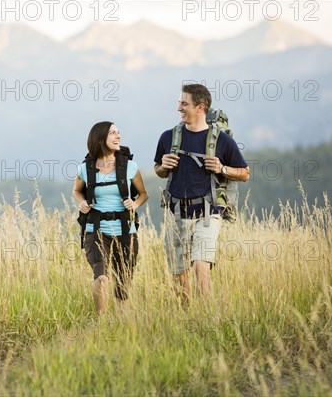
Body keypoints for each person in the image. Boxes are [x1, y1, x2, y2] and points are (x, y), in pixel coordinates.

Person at [154, 84, 250, 305]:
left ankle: (208, 321)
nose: (179, 107)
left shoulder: (223, 141)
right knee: (179, 274)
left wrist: (222, 169)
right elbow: (158, 170)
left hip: (208, 213)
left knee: (200, 265)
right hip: (176, 212)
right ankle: (185, 319)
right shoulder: (168, 137)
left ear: (200, 107)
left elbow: (245, 173)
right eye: (179, 102)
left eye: (184, 103)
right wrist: (164, 167)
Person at [73, 121, 149, 316]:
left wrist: (135, 204)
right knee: (102, 278)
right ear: (100, 139)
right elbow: (77, 191)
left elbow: (143, 194)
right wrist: (82, 203)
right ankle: (101, 324)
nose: (118, 137)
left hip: (125, 230)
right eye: (113, 133)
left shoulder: (129, 166)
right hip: (95, 229)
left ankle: (122, 325)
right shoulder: (86, 168)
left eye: (118, 132)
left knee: (123, 284)